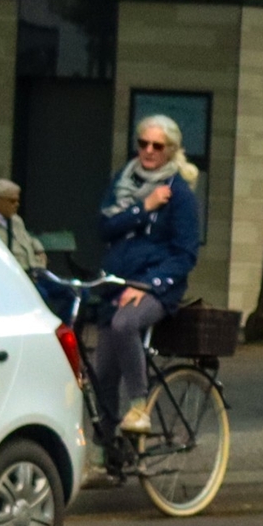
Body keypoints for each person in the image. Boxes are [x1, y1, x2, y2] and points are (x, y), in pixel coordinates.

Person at [95, 114, 202, 437]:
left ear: (170, 150)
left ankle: (139, 405)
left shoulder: (180, 194)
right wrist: (144, 207)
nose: (149, 151)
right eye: (143, 143)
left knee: (125, 324)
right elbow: (105, 227)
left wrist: (150, 284)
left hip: (157, 286)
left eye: (158, 145)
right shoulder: (123, 181)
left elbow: (185, 254)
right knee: (103, 374)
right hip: (117, 281)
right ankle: (108, 455)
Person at [0, 179, 46, 272]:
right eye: (12, 201)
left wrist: (40, 251)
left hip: (34, 270)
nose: (17, 204)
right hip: (10, 273)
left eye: (17, 201)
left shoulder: (16, 220)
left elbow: (27, 238)